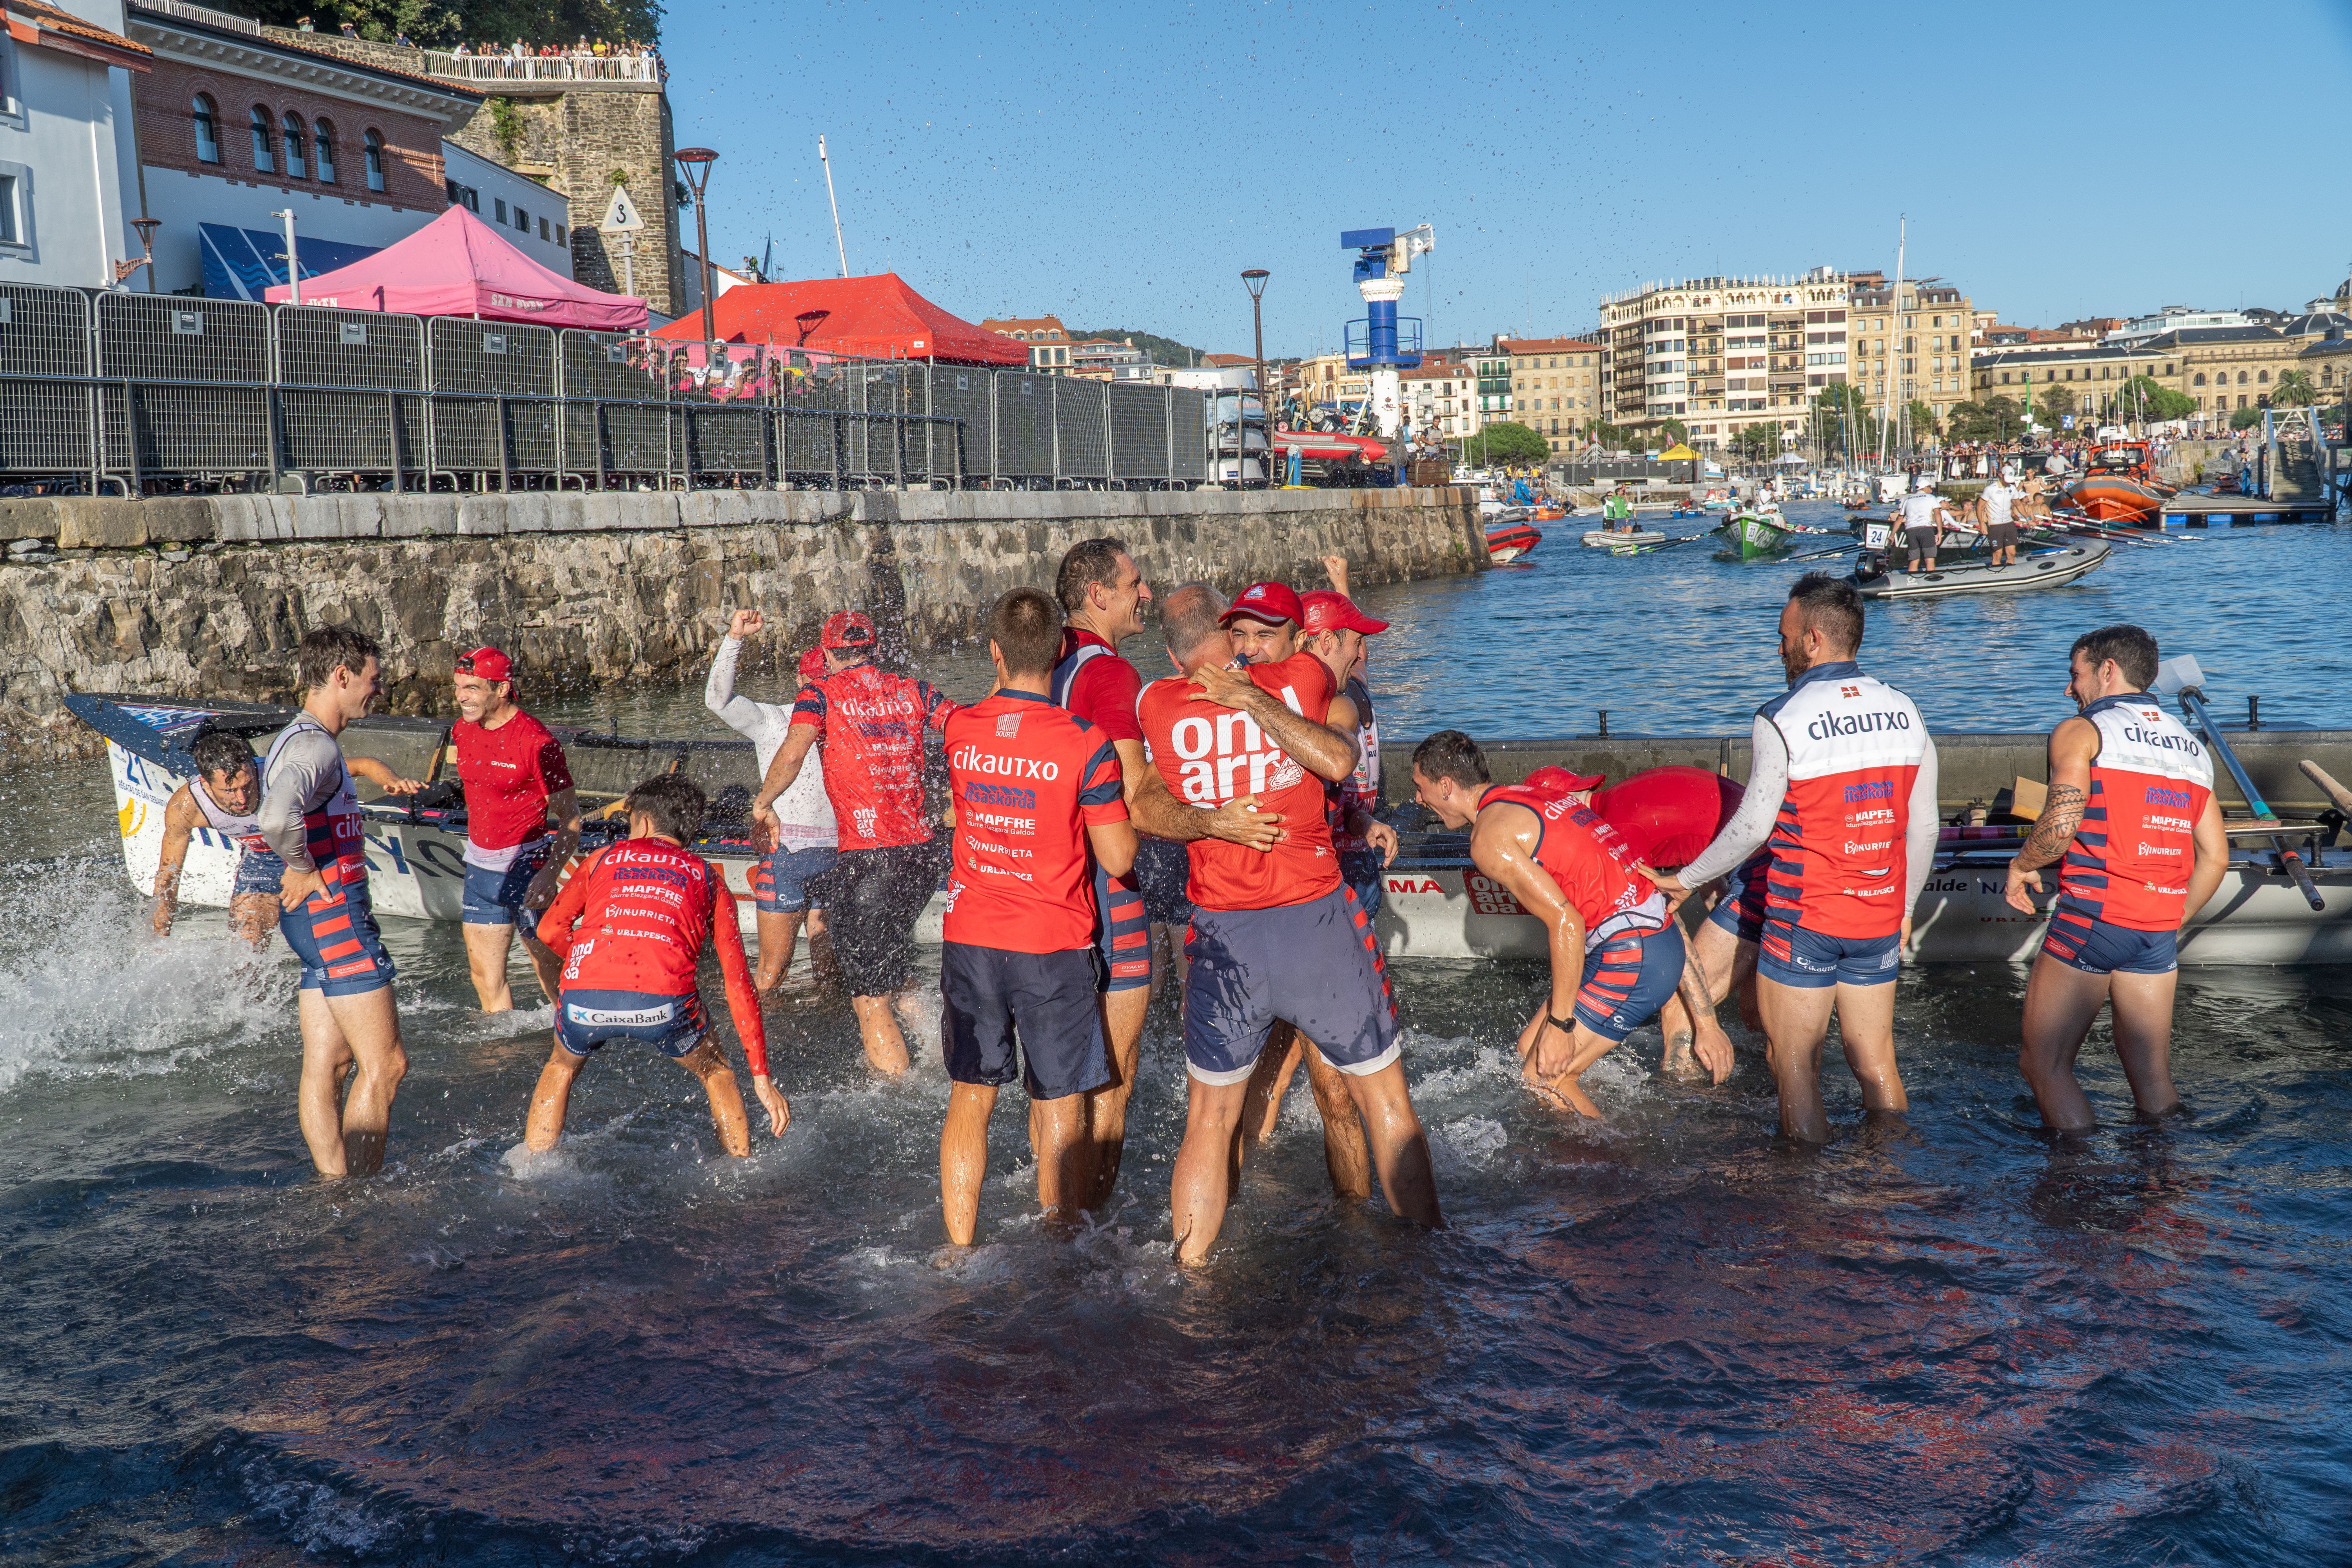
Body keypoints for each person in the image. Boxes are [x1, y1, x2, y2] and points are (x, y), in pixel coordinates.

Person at [1141, 581, 1442, 1262]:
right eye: (1241, 634)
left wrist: (1206, 816)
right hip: (1310, 922)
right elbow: (1339, 759)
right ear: (1226, 636)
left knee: (1211, 1120)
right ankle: (1429, 1262)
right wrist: (1250, 703)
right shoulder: (1303, 677)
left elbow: (1144, 803)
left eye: (1259, 633)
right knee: (1384, 1102)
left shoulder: (1159, 703)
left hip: (1223, 935)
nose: (1249, 647)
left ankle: (1190, 1275)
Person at [1643, 574, 1940, 1143]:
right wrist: (1904, 907)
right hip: (1877, 914)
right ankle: (1891, 1185)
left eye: (1782, 635)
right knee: (1876, 1064)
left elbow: (1754, 827)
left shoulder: (1782, 716)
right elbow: (1923, 826)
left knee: (1795, 1064)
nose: (1776, 646)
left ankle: (1807, 1204)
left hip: (1805, 919)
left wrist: (1683, 879)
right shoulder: (1906, 709)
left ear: (1812, 640)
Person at [939, 589, 1139, 1243]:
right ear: (1059, 653)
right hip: (1053, 945)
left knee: (971, 1096)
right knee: (1060, 1106)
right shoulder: (1087, 743)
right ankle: (1060, 1253)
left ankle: (959, 1251)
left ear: (994, 652)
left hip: (971, 939)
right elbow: (1117, 857)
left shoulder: (962, 728)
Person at [2004, 626, 2229, 1131]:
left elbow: (2060, 827)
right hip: (2156, 929)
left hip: (2094, 916)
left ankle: (2079, 1183)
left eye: (2075, 673)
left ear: (2108, 670)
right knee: (2151, 1079)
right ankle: (2164, 1186)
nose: (2069, 689)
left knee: (2043, 1064)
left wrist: (2021, 866)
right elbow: (2215, 857)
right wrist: (2174, 919)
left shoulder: (2082, 731)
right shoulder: (2192, 749)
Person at [1410, 734, 1692, 1118]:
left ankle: (1619, 1169)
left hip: (1634, 951)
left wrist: (1561, 1025)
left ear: (1445, 786)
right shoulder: (1526, 795)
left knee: (1544, 1076)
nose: (1416, 799)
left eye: (1419, 787)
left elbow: (1566, 921)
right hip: (1649, 933)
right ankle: (1586, 1128)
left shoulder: (1488, 838)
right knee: (1529, 1051)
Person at [526, 773, 788, 1158]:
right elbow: (737, 983)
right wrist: (762, 1077)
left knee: (561, 1066)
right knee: (717, 1072)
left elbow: (550, 930)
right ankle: (742, 1171)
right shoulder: (707, 878)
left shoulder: (601, 860)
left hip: (584, 997)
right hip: (664, 1004)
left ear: (644, 823)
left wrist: (588, 963)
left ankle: (534, 1166)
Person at [750, 610, 956, 1076]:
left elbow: (795, 749)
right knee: (893, 967)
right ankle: (943, 1064)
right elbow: (964, 730)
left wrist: (763, 802)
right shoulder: (915, 690)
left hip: (869, 863)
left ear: (827, 654)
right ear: (874, 649)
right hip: (923, 857)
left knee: (868, 995)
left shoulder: (819, 694)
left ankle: (900, 1091)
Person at [259, 626, 409, 1177]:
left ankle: (333, 1184)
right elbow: (275, 816)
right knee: (386, 1065)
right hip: (335, 918)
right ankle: (361, 1196)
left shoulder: (303, 738)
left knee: (330, 1063)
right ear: (341, 676)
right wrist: (302, 866)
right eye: (374, 678)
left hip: (311, 925)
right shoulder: (315, 745)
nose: (382, 688)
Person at [708, 610, 838, 992]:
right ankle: (755, 1048)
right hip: (787, 856)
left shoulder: (851, 719)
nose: (822, 689)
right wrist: (734, 639)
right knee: (771, 974)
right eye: (815, 681)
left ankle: (828, 1038)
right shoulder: (773, 721)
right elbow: (718, 701)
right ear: (800, 681)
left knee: (832, 975)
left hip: (839, 853)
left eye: (828, 681)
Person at [449, 646, 580, 1013]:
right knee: (485, 977)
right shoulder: (463, 729)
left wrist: (550, 875)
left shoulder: (538, 744)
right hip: (479, 870)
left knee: (550, 970)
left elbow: (571, 820)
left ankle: (573, 1043)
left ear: (503, 689)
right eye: (459, 687)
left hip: (527, 870)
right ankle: (501, 1059)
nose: (462, 697)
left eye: (472, 688)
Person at [1300, 586, 1399, 916]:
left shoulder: (1350, 686)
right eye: (1356, 643)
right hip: (1320, 868)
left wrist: (1365, 822)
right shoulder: (1298, 703)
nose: (1361, 653)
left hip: (1352, 852)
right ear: (1327, 642)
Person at [1898, 485, 1954, 573]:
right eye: (1930, 488)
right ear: (1925, 488)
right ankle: (1931, 578)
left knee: (1914, 560)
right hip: (1926, 529)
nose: (1931, 489)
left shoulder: (1908, 499)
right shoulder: (1930, 497)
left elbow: (1899, 518)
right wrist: (1940, 532)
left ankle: (1912, 580)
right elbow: (1937, 514)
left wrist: (1892, 534)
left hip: (1911, 530)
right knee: (1929, 558)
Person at [1981, 471, 2021, 567]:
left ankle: (2011, 572)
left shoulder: (2012, 488)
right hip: (1995, 525)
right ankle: (1996, 573)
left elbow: (2019, 505)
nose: (2008, 483)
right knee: (1997, 554)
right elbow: (1979, 507)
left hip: (2009, 524)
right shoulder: (1990, 489)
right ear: (2000, 475)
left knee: (2012, 553)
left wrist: (2029, 519)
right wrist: (1982, 524)